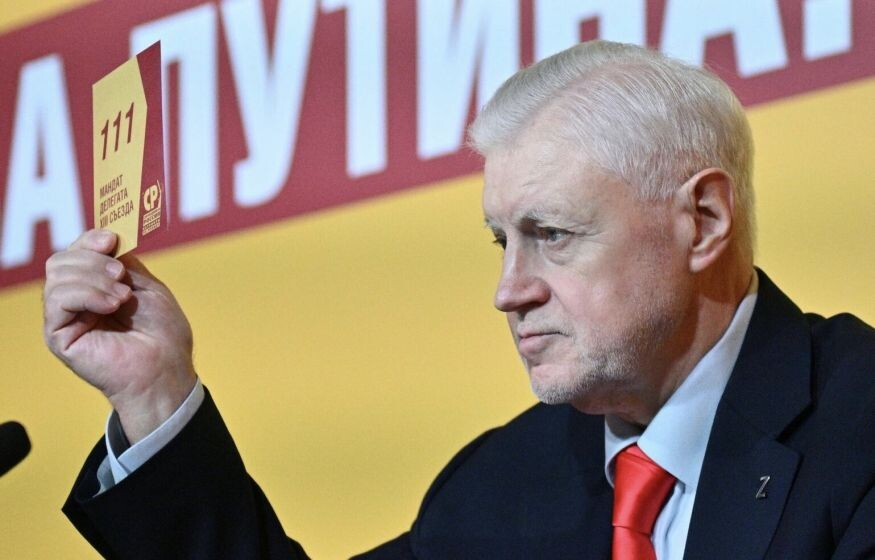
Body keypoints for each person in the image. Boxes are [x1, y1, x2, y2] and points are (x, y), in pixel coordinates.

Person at [44, 40, 874, 559]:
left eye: (552, 233)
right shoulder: (499, 483)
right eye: (500, 240)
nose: (508, 292)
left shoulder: (859, 423)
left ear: (703, 221)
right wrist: (154, 393)